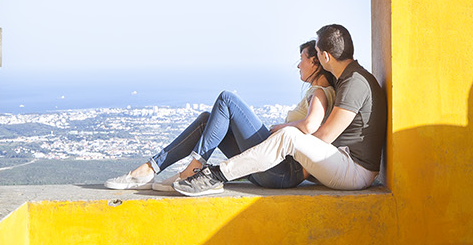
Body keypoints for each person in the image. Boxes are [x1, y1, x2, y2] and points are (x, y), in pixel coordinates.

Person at [174, 23, 384, 195]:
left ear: (326, 57)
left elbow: (325, 136)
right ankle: (207, 173)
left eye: (318, 53)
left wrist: (288, 151)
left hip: (354, 170)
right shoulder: (349, 78)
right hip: (346, 164)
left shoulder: (354, 82)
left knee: (290, 136)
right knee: (288, 136)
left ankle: (215, 175)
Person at [104, 41, 334, 191]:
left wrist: (282, 128)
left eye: (301, 58)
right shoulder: (317, 93)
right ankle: (150, 169)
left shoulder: (321, 93)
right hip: (273, 171)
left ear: (315, 62)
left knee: (227, 99)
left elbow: (311, 125)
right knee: (207, 119)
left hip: (281, 171)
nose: (298, 65)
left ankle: (191, 170)